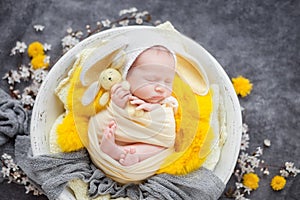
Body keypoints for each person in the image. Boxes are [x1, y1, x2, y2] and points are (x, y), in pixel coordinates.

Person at [98, 45, 178, 166]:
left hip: (145, 146)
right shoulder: (124, 95)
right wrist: (118, 104)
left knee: (163, 148)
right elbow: (107, 113)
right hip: (119, 137)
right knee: (108, 126)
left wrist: (154, 109)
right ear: (127, 77)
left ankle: (118, 152)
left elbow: (168, 129)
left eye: (168, 82)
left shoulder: (166, 102)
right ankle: (112, 147)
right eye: (151, 80)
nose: (161, 88)